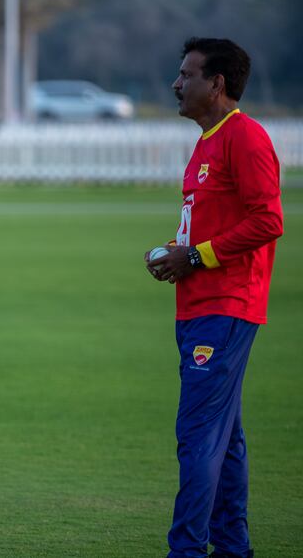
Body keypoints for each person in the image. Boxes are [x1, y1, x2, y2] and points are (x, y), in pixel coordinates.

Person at [146, 37, 283, 558]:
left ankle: (186, 550)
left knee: (198, 435)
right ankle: (232, 547)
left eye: (186, 74)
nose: (176, 84)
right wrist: (174, 253)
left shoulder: (245, 138)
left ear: (216, 84)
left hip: (226, 306)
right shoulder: (207, 141)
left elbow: (269, 220)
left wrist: (197, 257)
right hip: (199, 304)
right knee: (225, 441)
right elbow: (213, 225)